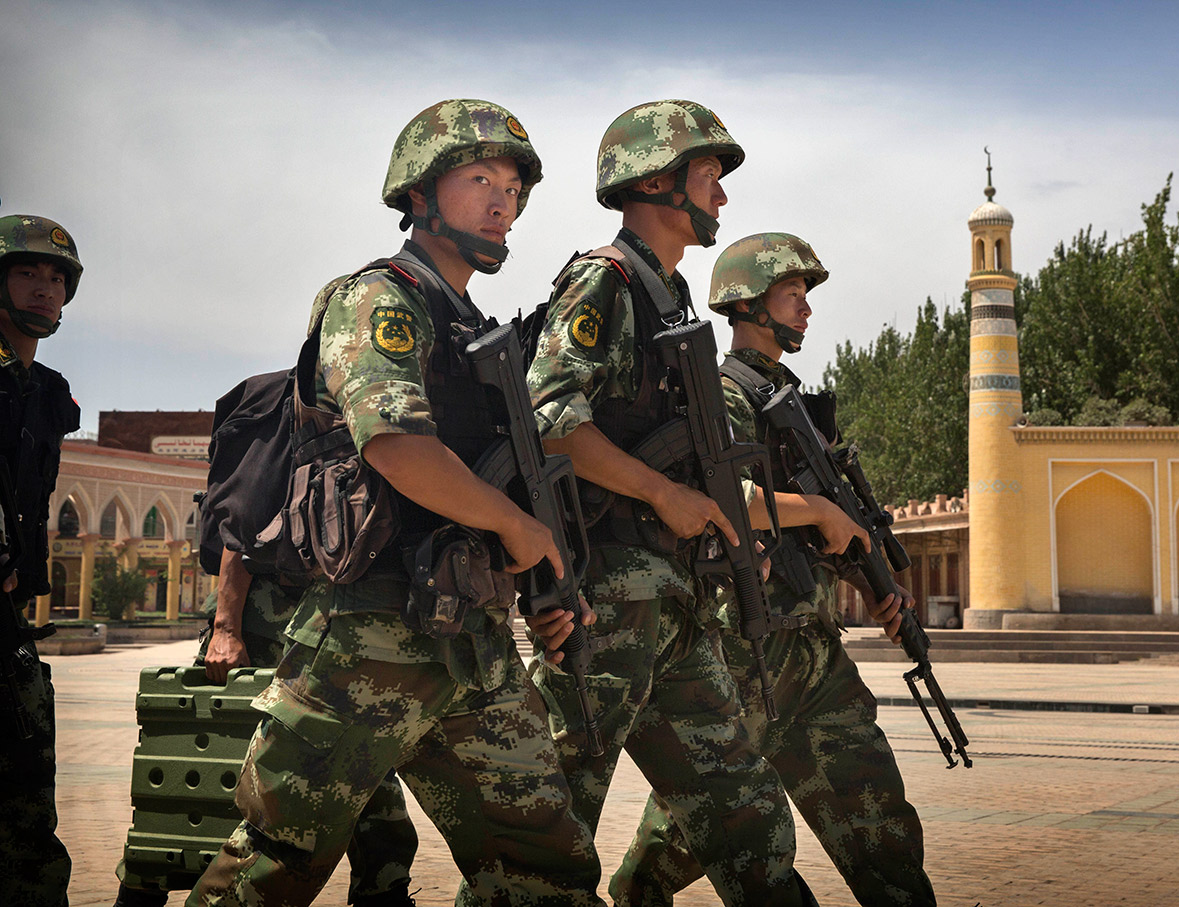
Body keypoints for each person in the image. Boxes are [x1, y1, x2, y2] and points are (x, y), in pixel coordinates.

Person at [186, 99, 604, 906]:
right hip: (367, 634)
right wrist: (514, 525)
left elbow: (513, 482)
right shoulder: (380, 300)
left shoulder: (476, 331)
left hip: (473, 642)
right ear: (418, 196)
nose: (501, 202)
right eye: (480, 179)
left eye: (514, 189)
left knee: (545, 863)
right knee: (275, 864)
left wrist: (549, 583)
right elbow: (394, 444)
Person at [526, 100, 816, 905]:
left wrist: (719, 525)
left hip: (675, 605)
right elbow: (550, 415)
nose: (722, 196)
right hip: (609, 604)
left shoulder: (671, 295)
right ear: (656, 180)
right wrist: (663, 492)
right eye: (709, 177)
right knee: (544, 840)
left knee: (751, 822)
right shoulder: (605, 282)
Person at [609, 232, 937, 905]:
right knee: (700, 825)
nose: (807, 308)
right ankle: (638, 893)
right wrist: (816, 508)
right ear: (750, 303)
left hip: (813, 648)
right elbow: (731, 500)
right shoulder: (722, 394)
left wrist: (868, 576)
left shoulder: (798, 405)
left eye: (807, 296)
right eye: (794, 294)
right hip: (745, 645)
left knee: (877, 816)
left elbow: (835, 526)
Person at [113, 546, 420, 906]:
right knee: (204, 760)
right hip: (263, 616)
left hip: (340, 619)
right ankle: (140, 888)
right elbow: (240, 528)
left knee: (363, 761)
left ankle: (386, 890)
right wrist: (226, 627)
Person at [0, 213, 82, 907]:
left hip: (9, 627)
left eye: (56, 279)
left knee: (27, 812)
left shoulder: (47, 393)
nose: (44, 289)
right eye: (27, 272)